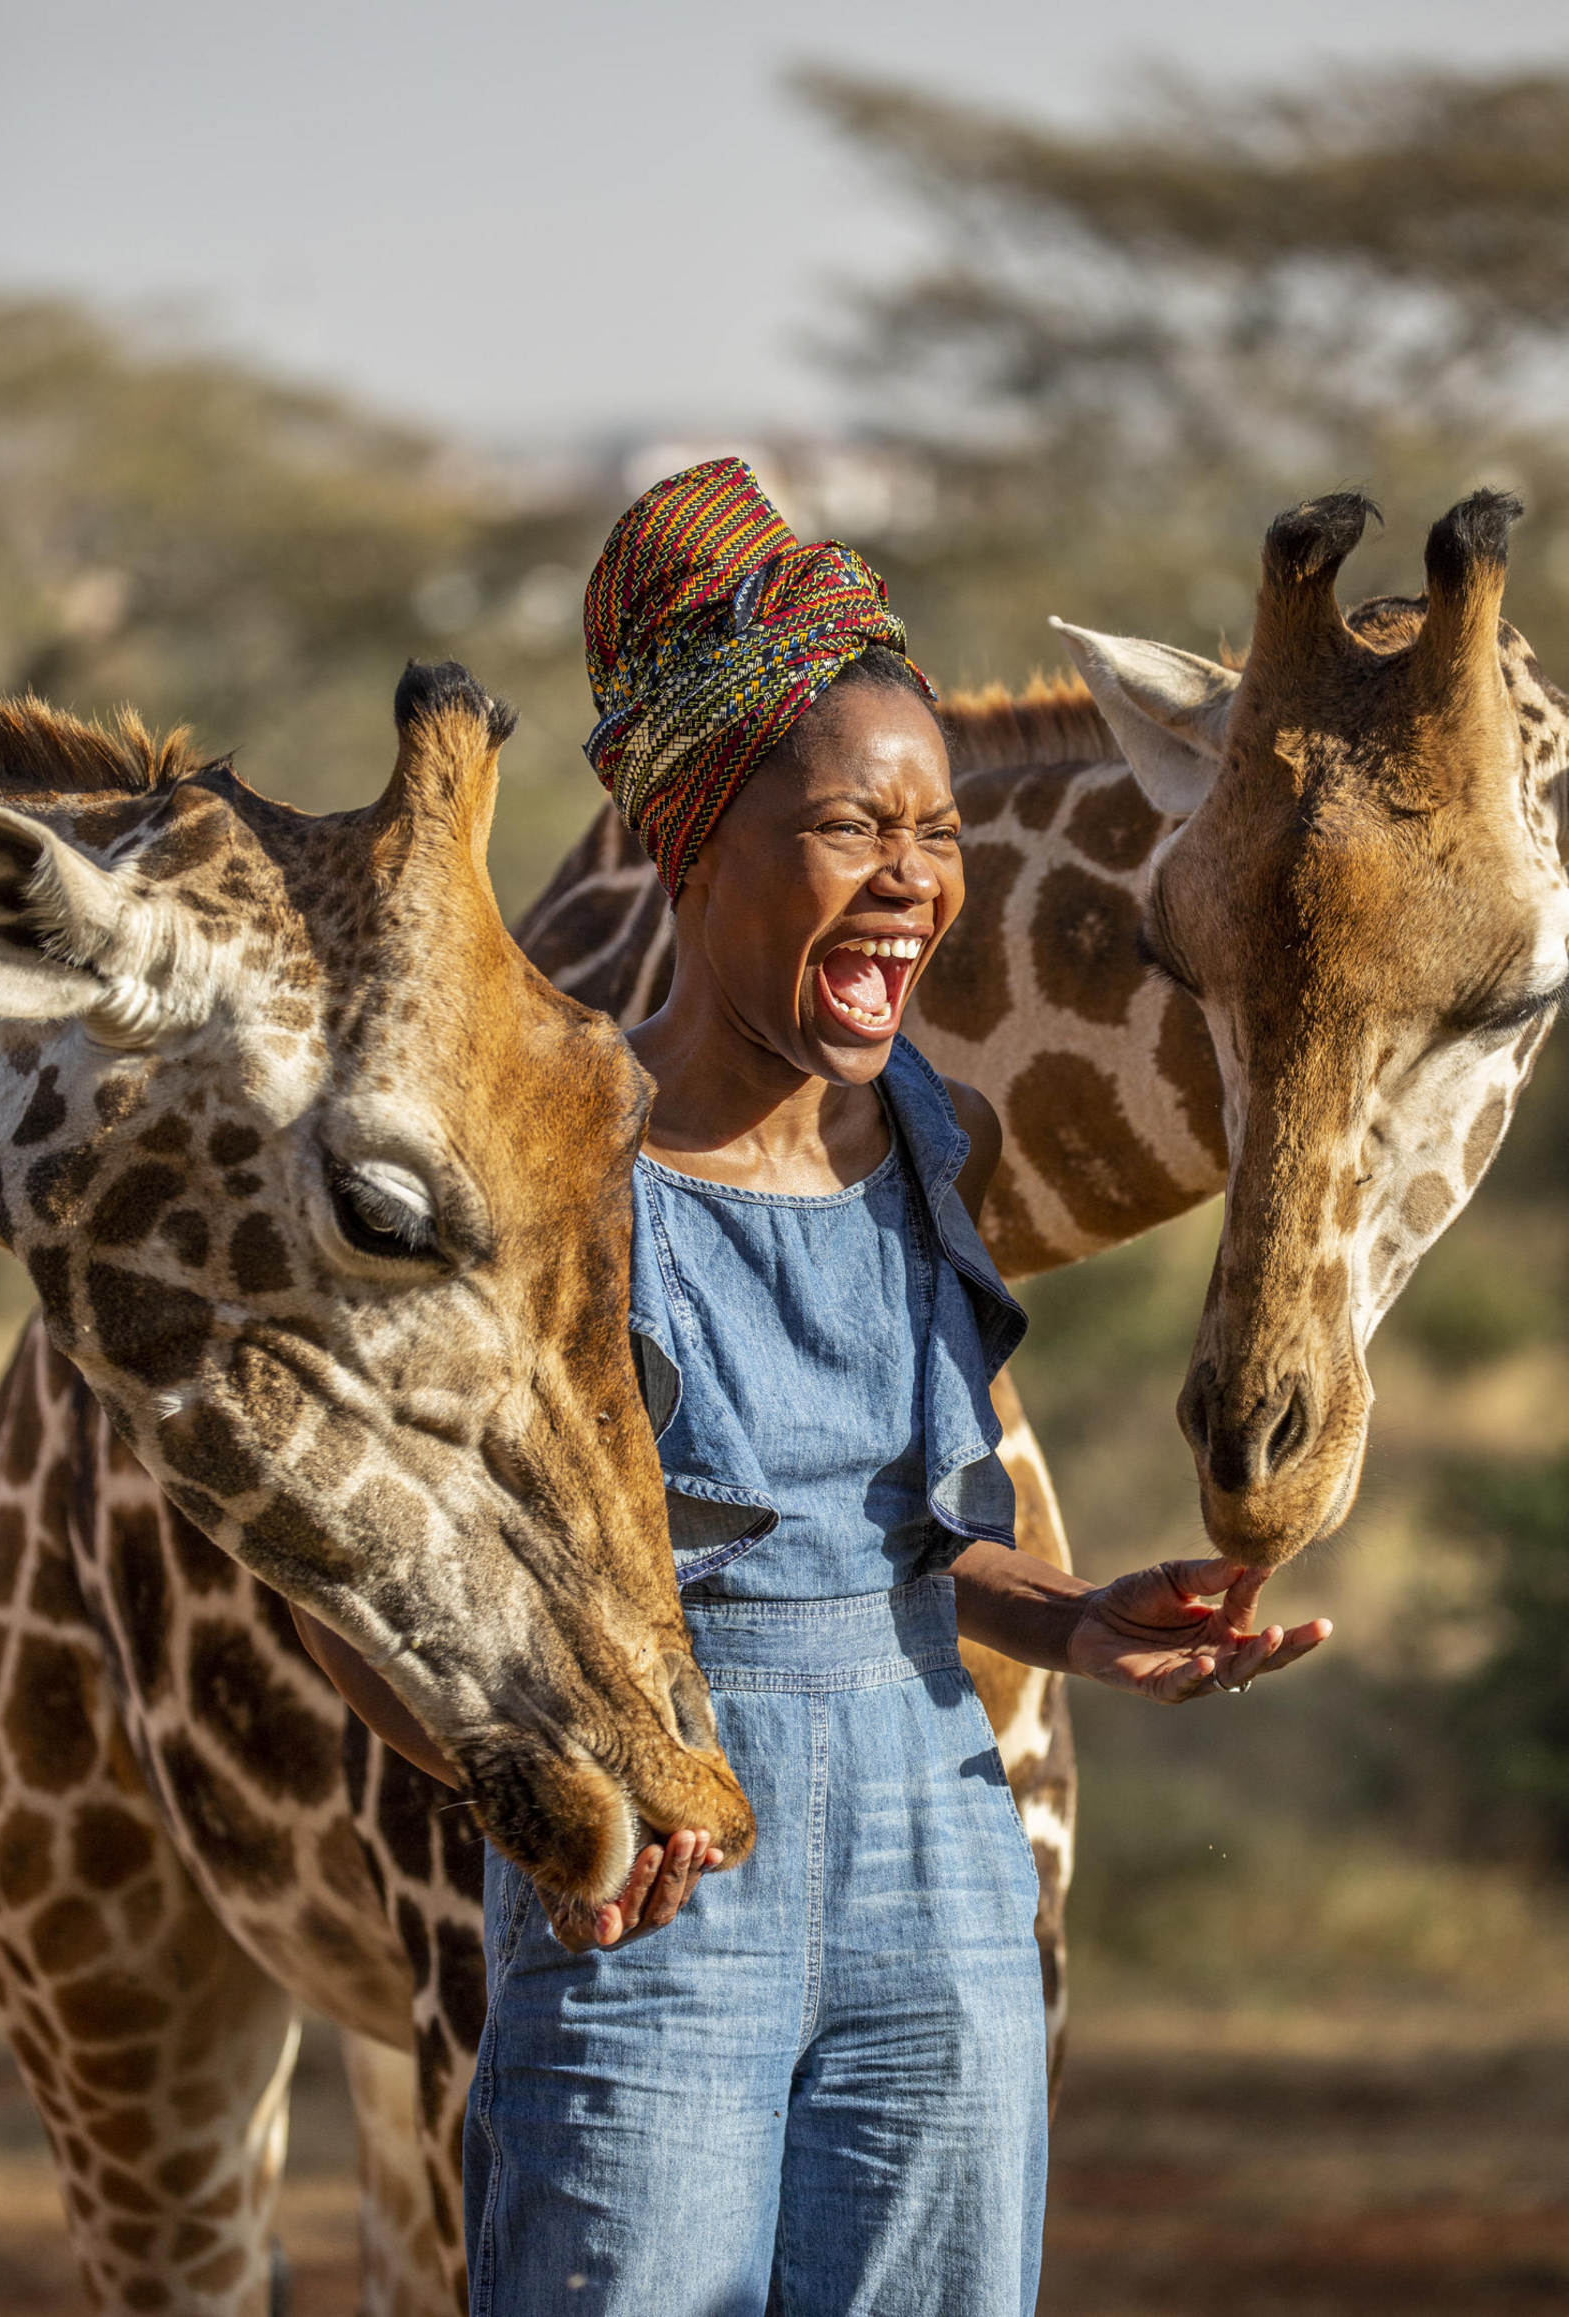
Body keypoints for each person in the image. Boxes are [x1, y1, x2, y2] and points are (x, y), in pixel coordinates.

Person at [298, 457, 1330, 2317]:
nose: (915, 881)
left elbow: (911, 1547)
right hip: (664, 1891)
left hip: (942, 1868)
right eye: (859, 825)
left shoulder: (922, 1136)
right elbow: (364, 1589)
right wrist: (534, 1794)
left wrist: (1084, 1618)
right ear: (699, 841)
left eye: (935, 835)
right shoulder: (551, 1182)